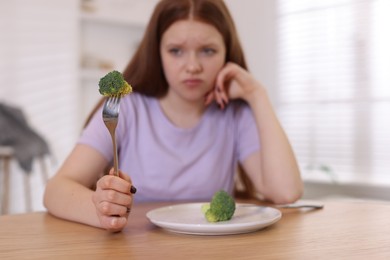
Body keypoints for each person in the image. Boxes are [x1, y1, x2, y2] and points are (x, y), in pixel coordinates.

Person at [44, 0, 303, 232]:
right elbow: (56, 190)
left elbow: (286, 192)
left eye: (208, 50)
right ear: (157, 53)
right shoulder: (127, 108)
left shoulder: (235, 113)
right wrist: (100, 210)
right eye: (176, 51)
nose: (193, 66)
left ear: (227, 53)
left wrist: (257, 95)